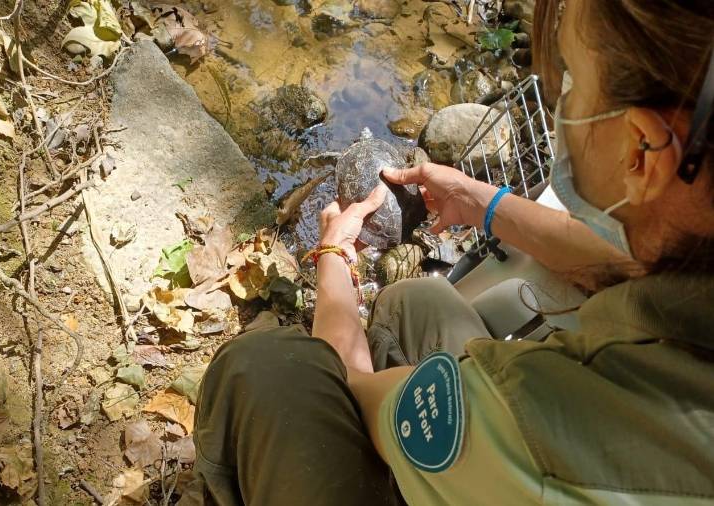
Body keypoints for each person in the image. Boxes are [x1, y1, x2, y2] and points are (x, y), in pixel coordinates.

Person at [189, 0, 714, 504]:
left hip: (539, 458)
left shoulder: (540, 419)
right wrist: (476, 200)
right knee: (417, 302)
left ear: (643, 151)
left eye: (571, 84)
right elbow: (621, 257)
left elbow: (348, 380)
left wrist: (335, 253)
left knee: (274, 368)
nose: (560, 108)